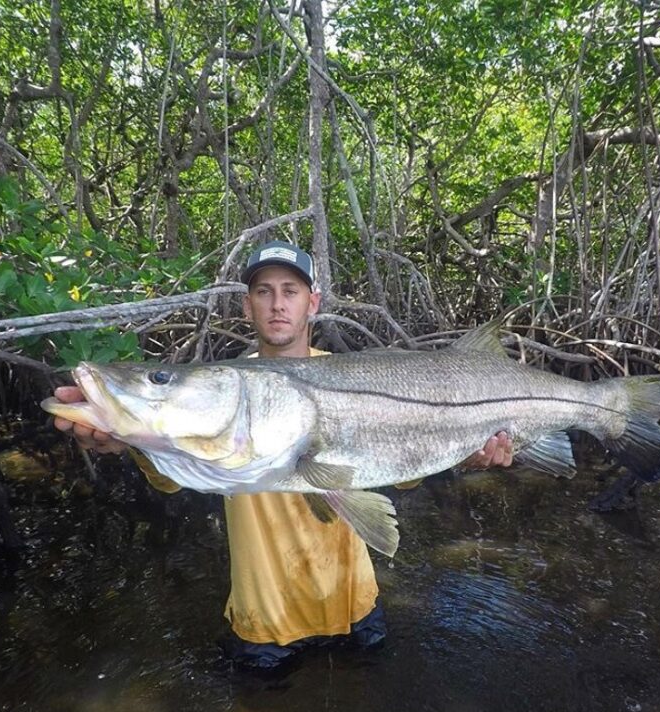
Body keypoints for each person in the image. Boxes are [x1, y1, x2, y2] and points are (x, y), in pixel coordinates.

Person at [52, 240, 514, 668]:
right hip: (264, 619)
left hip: (353, 606)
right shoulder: (230, 385)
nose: (277, 303)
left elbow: (403, 474)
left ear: (311, 303)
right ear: (247, 305)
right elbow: (171, 480)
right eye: (264, 291)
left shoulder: (356, 375)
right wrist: (133, 440)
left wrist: (462, 454)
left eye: (290, 291)